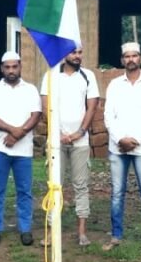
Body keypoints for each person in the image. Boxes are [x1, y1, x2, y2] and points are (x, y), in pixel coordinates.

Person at [102, 42, 141, 256]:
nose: (131, 59)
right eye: (127, 56)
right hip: (117, 148)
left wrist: (135, 139)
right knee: (117, 193)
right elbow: (108, 116)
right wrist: (121, 139)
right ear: (122, 60)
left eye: (134, 55)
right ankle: (116, 236)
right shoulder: (114, 85)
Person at [39, 47, 100, 247]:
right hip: (56, 141)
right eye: (73, 52)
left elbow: (92, 106)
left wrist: (80, 132)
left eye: (80, 52)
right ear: (65, 54)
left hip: (80, 141)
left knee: (81, 186)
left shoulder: (88, 76)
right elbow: (45, 106)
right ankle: (51, 231)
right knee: (55, 185)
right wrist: (57, 133)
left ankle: (81, 232)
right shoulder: (50, 75)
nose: (77, 56)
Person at [0, 51, 42, 246]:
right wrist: (12, 130)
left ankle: (25, 229)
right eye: (7, 67)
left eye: (14, 67)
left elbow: (35, 115)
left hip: (23, 151)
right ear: (2, 69)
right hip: (0, 148)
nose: (11, 71)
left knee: (24, 191)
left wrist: (18, 134)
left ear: (20, 67)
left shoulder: (30, 90)